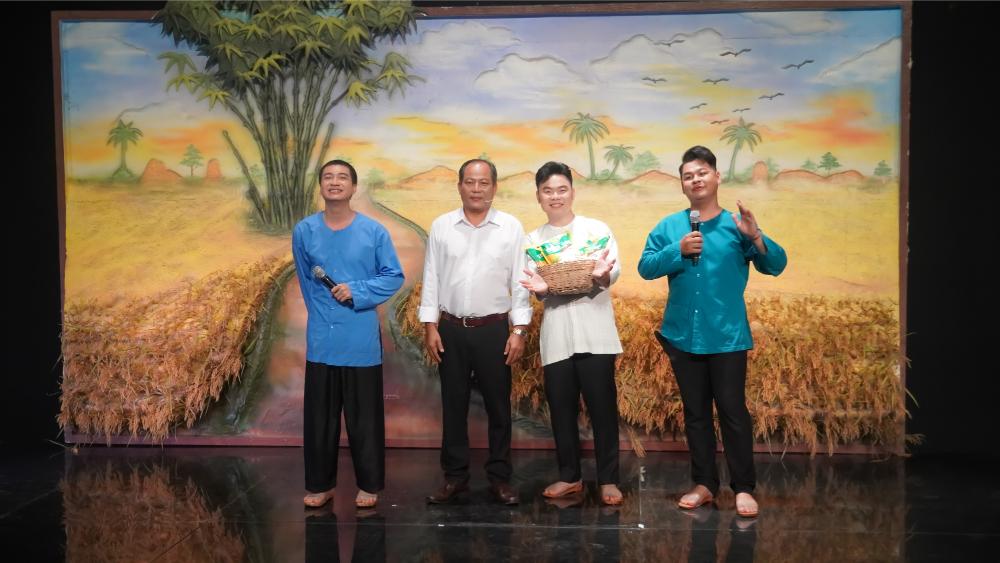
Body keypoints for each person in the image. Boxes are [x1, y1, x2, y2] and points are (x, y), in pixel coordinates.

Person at [638, 146, 787, 518]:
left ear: (717, 177)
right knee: (696, 413)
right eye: (688, 175)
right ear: (682, 184)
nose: (696, 180)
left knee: (733, 411)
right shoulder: (669, 227)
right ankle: (704, 483)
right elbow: (646, 267)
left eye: (702, 172)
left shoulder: (737, 225)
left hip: (726, 335)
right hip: (682, 335)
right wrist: (677, 250)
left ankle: (743, 488)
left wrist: (756, 237)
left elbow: (776, 265)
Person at [292, 159, 405, 509]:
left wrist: (356, 291)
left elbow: (393, 276)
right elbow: (306, 282)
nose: (335, 182)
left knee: (364, 418)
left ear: (354, 187)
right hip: (322, 336)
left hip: (360, 337)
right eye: (328, 177)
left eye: (343, 177)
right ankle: (320, 485)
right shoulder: (304, 230)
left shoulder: (373, 232)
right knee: (319, 418)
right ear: (321, 186)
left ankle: (369, 485)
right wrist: (322, 317)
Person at [419, 158, 531, 505]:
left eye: (484, 183)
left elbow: (521, 281)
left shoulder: (510, 227)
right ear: (460, 186)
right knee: (453, 406)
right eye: (470, 182)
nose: (477, 189)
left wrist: (519, 330)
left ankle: (499, 478)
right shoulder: (442, 226)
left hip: (493, 329)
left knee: (498, 407)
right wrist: (430, 325)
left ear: (494, 187)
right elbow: (432, 277)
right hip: (451, 329)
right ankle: (455, 477)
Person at [518, 161, 624, 506]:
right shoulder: (532, 241)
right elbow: (536, 285)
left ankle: (609, 479)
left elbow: (611, 272)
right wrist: (541, 290)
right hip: (557, 334)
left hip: (596, 332)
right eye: (547, 191)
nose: (555, 196)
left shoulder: (596, 229)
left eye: (561, 189)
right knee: (561, 409)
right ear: (538, 197)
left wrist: (602, 275)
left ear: (572, 193)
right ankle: (570, 476)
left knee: (603, 408)